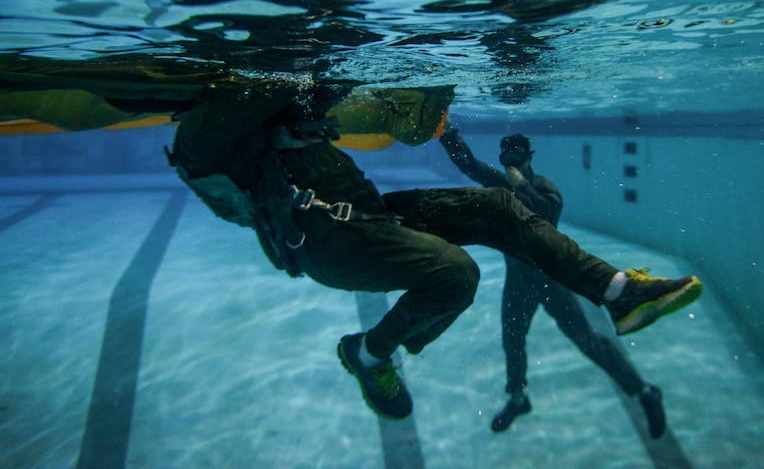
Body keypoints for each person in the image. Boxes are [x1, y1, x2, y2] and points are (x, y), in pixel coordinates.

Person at [168, 76, 703, 421]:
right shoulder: (224, 118)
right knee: (458, 276)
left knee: (497, 207)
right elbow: (264, 97)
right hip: (325, 241)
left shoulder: (542, 190)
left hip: (377, 221)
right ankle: (370, 353)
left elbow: (494, 185)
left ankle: (617, 292)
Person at [440, 126, 667, 437]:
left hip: (550, 280)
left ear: (529, 158)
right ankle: (518, 399)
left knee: (586, 339)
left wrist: (523, 187)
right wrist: (447, 132)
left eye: (517, 157)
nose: (511, 163)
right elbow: (469, 164)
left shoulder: (546, 189)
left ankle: (643, 391)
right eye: (506, 157)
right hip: (519, 280)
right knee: (513, 340)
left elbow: (546, 217)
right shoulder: (500, 183)